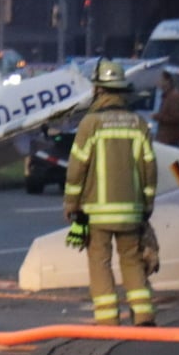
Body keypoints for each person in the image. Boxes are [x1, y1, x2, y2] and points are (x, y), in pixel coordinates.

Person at [63, 58, 158, 326]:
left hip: (96, 213)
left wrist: (72, 204)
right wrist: (147, 205)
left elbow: (76, 168)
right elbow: (150, 168)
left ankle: (107, 321)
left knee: (100, 262)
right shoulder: (138, 123)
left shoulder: (90, 124)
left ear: (98, 89)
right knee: (132, 261)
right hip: (132, 211)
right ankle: (144, 315)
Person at [150, 67, 179, 146]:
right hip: (166, 139)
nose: (158, 82)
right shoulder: (166, 96)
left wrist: (157, 117)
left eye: (160, 80)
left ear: (167, 81)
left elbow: (176, 117)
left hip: (171, 140)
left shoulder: (174, 97)